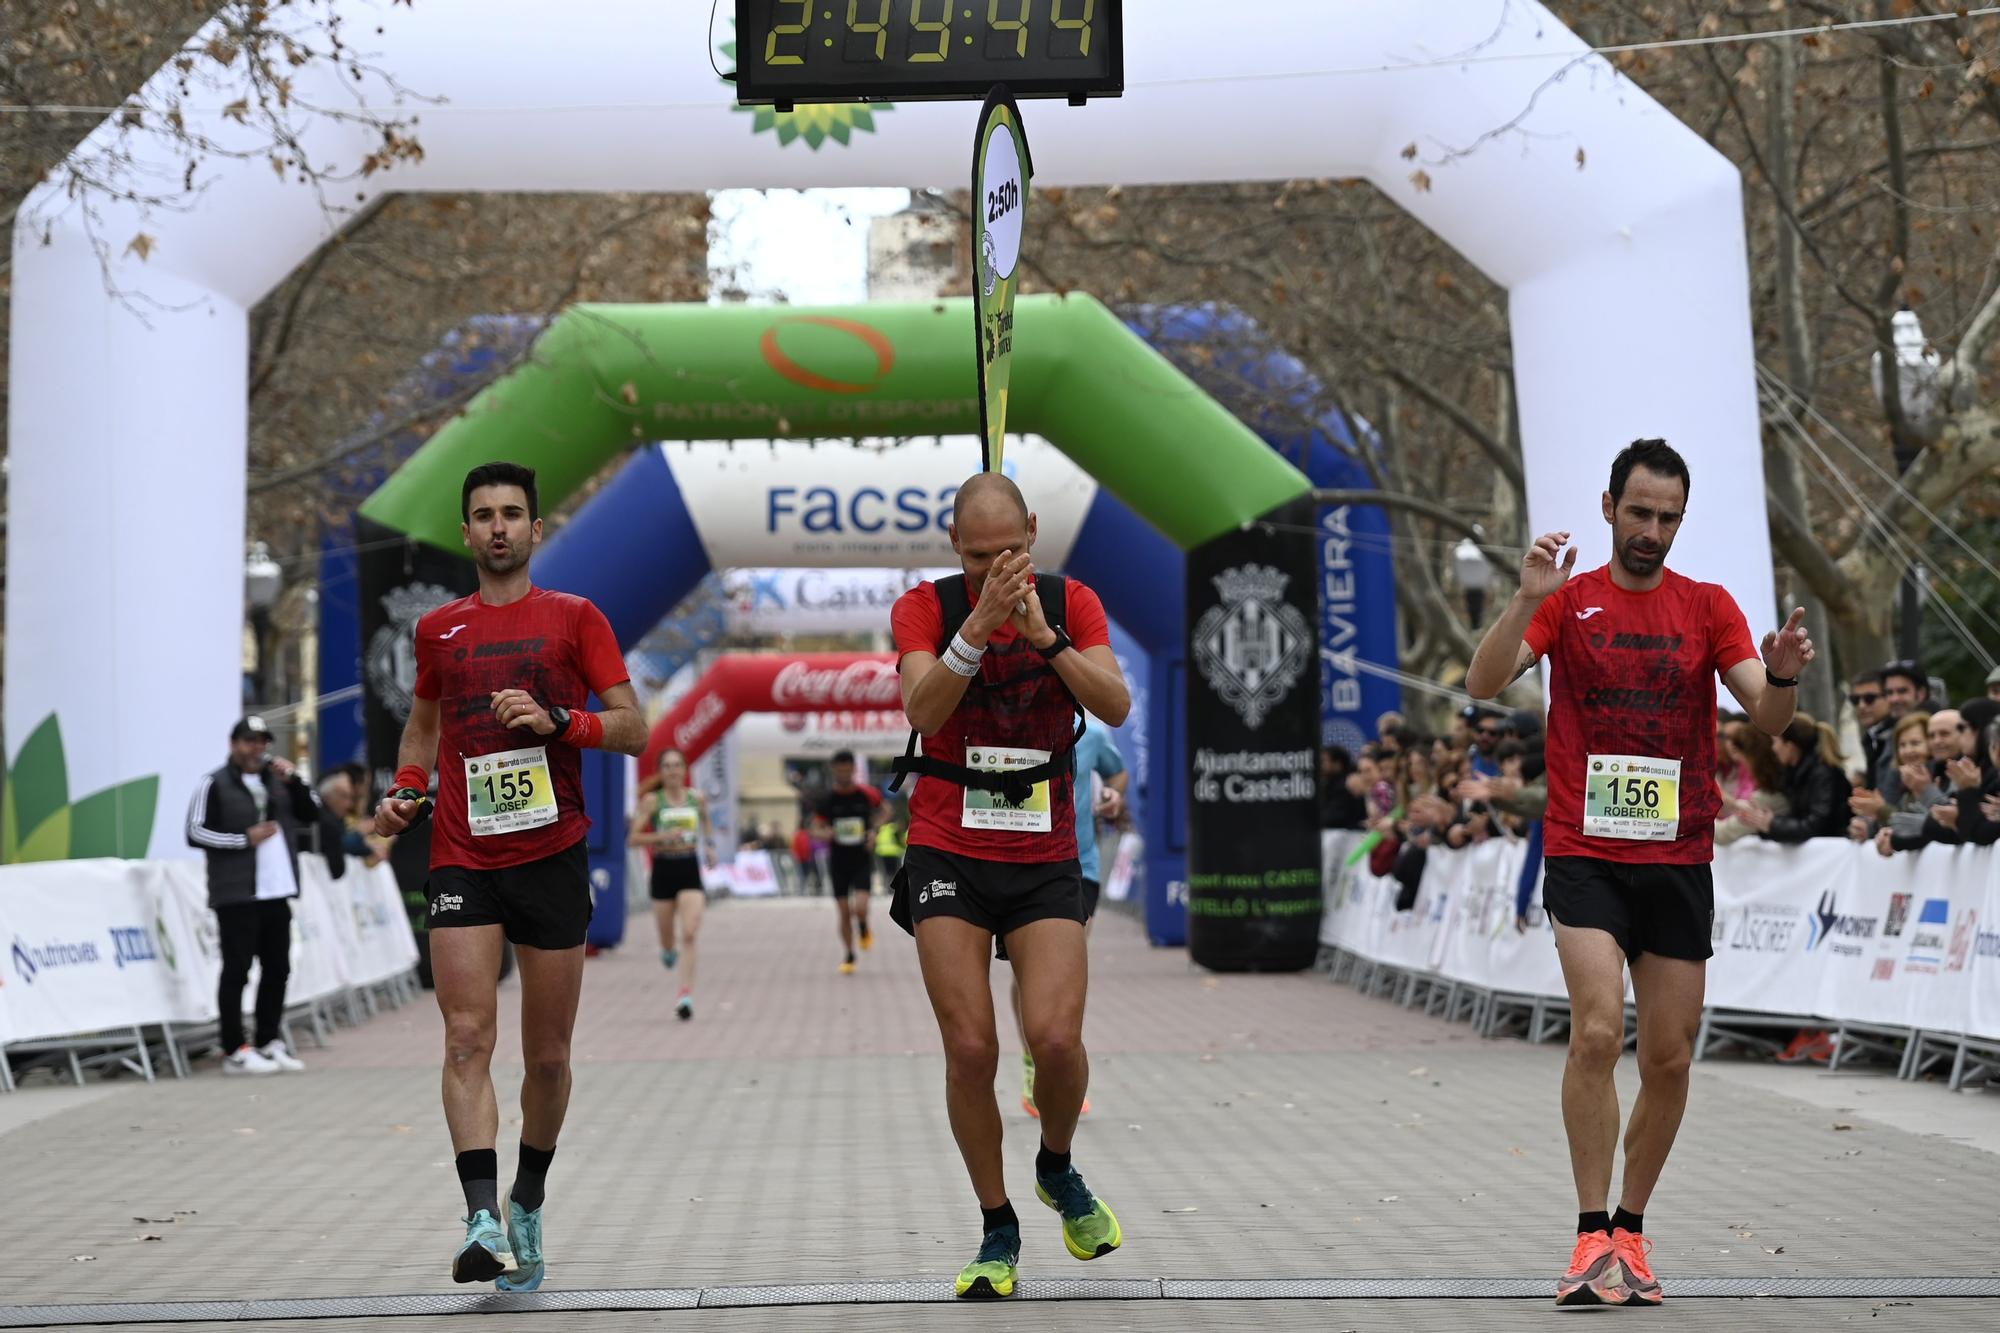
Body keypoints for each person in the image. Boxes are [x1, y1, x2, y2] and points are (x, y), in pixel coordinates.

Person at [1465, 439, 1811, 1309]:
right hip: (1584, 847)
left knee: (1668, 1055)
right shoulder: (1569, 600)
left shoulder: (1707, 607)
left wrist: (1782, 675)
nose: (1652, 530)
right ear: (1611, 505)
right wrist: (1521, 600)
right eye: (1640, 512)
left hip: (1677, 854)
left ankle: (1630, 1228)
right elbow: (1482, 680)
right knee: (1594, 1030)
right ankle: (1589, 1234)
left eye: (1668, 517)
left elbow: (1766, 716)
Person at [371, 462, 645, 1292]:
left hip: (551, 855)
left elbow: (635, 726)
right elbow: (422, 729)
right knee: (464, 1035)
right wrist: (407, 792)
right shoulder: (439, 631)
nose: (498, 526)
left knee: (550, 1058)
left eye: (512, 514)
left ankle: (527, 1197)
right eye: (483, 514)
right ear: (466, 532)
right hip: (463, 854)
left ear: (535, 529)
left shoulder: (575, 619)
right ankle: (482, 1218)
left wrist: (560, 719)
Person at [888, 472, 1131, 1300]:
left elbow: (1117, 704)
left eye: (1011, 551)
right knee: (970, 1047)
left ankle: (1056, 1167)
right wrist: (979, 628)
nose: (998, 565)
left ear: (1032, 530)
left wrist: (1045, 637)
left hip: (1044, 852)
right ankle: (997, 1224)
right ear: (955, 547)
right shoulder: (925, 606)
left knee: (1056, 1040)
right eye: (980, 555)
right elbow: (923, 710)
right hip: (949, 849)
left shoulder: (1073, 599)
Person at [184, 715, 323, 1076]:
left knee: (278, 968)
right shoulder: (214, 783)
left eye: (262, 741)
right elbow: (195, 832)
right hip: (237, 893)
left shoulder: (277, 781)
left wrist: (294, 780)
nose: (256, 748)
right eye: (249, 741)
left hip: (276, 891)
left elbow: (313, 813)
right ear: (234, 744)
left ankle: (268, 1039)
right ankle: (233, 1048)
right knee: (237, 971)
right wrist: (244, 838)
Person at [1017, 714, 1127, 1117]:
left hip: (1082, 864)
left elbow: (1117, 776)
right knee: (1026, 974)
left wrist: (1114, 797)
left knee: (1063, 971)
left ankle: (1058, 1067)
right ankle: (1034, 1064)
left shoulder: (1093, 734)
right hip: (1021, 862)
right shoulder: (1013, 723)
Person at [628, 748, 714, 1020]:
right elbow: (633, 839)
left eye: (678, 765)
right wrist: (662, 836)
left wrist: (710, 847)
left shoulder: (696, 798)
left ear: (685, 770)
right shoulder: (653, 801)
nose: (673, 771)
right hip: (663, 870)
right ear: (661, 771)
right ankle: (667, 950)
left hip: (688, 867)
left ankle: (685, 994)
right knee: (668, 941)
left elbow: (707, 827)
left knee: (689, 932)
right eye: (668, 766)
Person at [809, 750, 887, 973]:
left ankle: (863, 926)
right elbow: (814, 827)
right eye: (839, 770)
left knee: (860, 908)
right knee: (843, 912)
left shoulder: (867, 794)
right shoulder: (827, 799)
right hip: (839, 861)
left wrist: (874, 830)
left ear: (853, 769)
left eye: (847, 769)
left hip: (861, 858)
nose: (843, 774)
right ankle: (849, 955)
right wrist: (826, 834)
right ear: (834, 770)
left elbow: (886, 811)